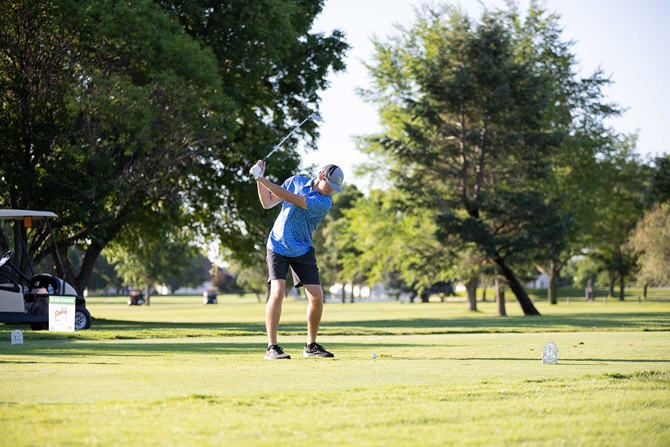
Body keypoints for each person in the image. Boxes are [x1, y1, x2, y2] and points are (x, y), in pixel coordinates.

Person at [249, 160, 344, 360]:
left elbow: (291, 198)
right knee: (278, 292)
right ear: (320, 176)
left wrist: (261, 177)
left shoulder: (323, 202)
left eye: (336, 189)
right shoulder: (295, 181)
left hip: (302, 248)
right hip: (278, 245)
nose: (332, 191)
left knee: (317, 296)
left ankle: (311, 345)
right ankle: (272, 347)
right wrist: (259, 179)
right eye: (331, 186)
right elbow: (267, 203)